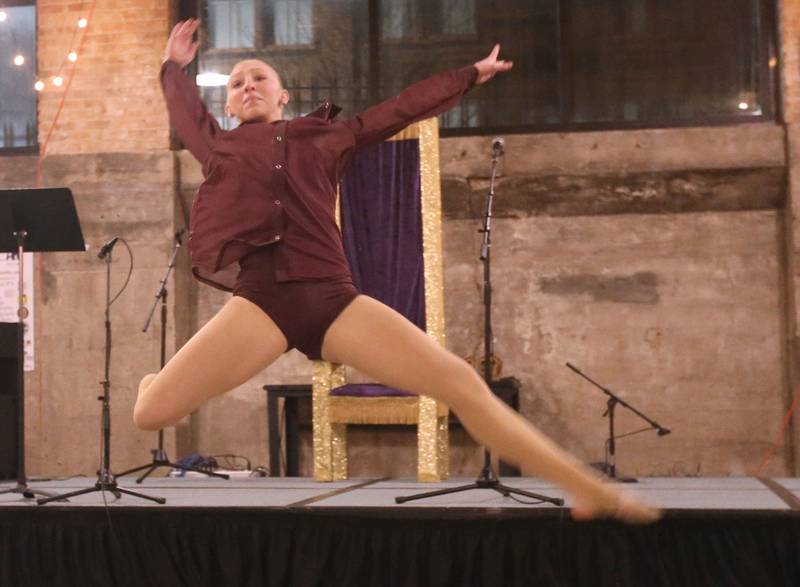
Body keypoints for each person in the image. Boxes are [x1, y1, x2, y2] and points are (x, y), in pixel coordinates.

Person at [134, 19, 660, 524]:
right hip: (261, 303)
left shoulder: (326, 138)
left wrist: (468, 76)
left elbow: (397, 110)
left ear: (283, 95)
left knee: (461, 383)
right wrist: (172, 68)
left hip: (331, 300)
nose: (248, 86)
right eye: (236, 83)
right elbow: (186, 117)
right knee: (151, 414)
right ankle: (151, 383)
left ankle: (584, 487)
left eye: (259, 78)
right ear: (226, 103)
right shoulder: (219, 147)